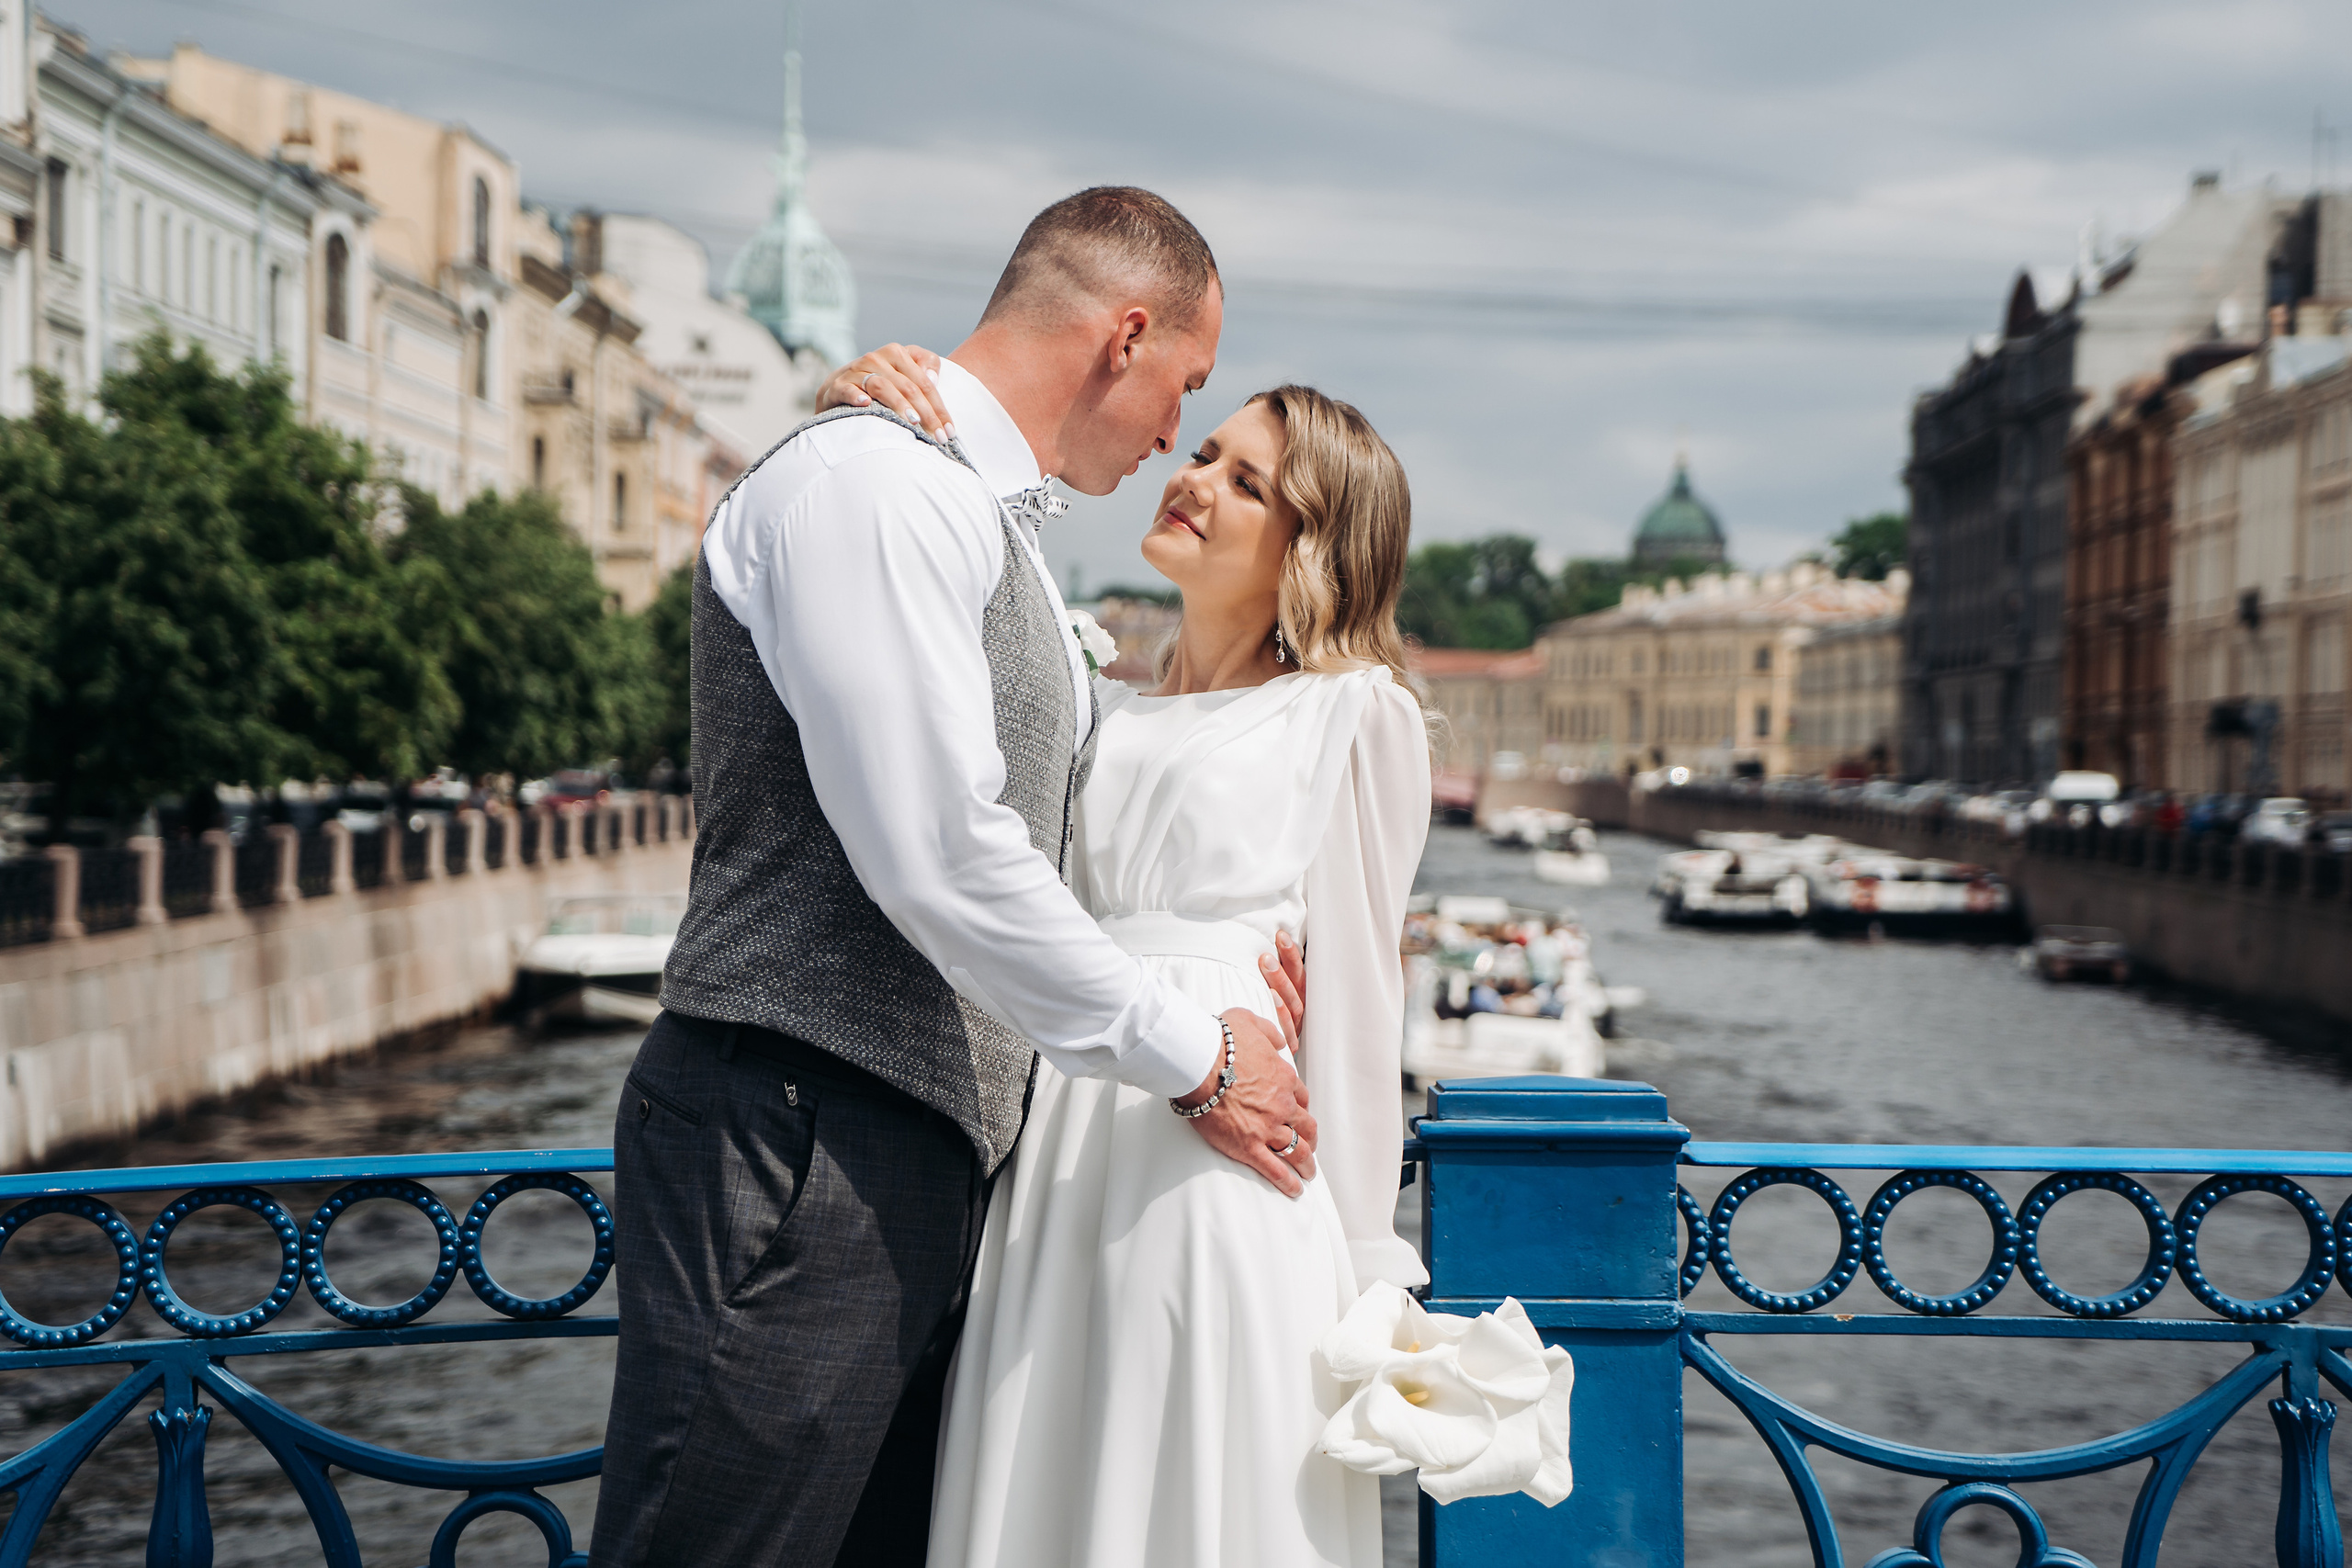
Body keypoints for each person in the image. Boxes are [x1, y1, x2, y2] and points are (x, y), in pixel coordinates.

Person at [590, 188, 1319, 1568]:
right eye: (1187, 389)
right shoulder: (872, 484)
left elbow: (1059, 838)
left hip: (905, 1153)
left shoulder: (986, 525)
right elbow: (936, 843)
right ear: (1125, 335)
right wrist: (1195, 1056)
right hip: (801, 1120)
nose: (1176, 433)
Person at [822, 348, 1430, 1565]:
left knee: (1201, 1491)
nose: (1196, 480)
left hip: (1224, 1166)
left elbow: (1361, 1015)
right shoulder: (1103, 706)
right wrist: (867, 421)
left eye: (1248, 482)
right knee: (1049, 1484)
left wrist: (1371, 1282)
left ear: (1314, 545)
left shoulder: (1352, 710)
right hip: (1059, 1147)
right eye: (1205, 453)